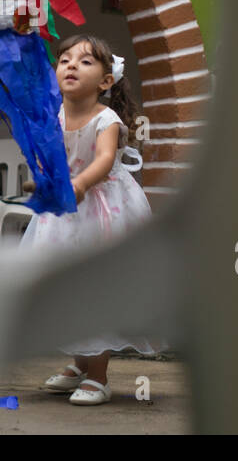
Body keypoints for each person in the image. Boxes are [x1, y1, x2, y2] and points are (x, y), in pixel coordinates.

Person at [22, 34, 165, 405]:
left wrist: (80, 183)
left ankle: (99, 375)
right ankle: (80, 364)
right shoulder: (52, 115)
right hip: (63, 215)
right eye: (65, 59)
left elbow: (102, 161)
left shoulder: (107, 118)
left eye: (85, 61)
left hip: (102, 210)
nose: (71, 65)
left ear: (105, 81)